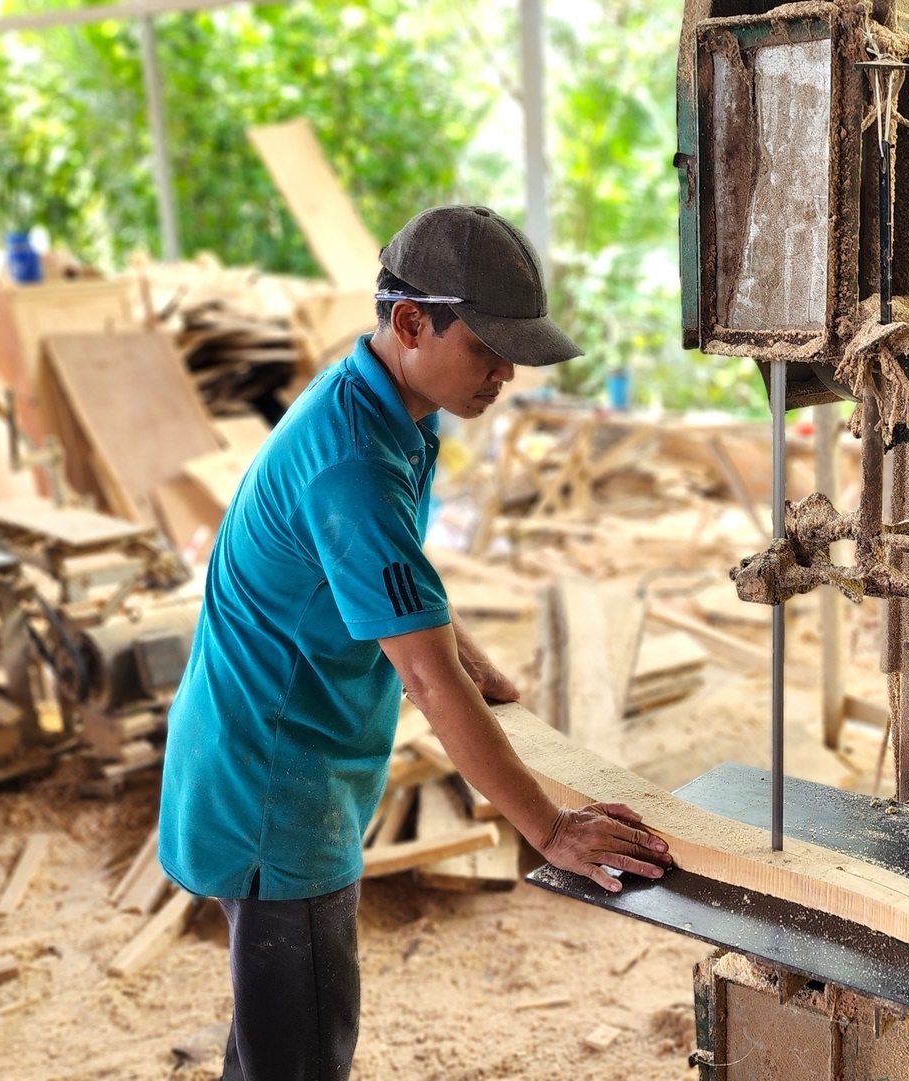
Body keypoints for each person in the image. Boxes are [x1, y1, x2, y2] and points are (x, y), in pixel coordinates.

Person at [158, 206, 673, 1081]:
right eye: (488, 347)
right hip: (276, 795)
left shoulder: (385, 403)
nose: (507, 372)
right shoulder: (351, 462)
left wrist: (467, 653)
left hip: (274, 758)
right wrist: (549, 829)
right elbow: (429, 688)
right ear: (410, 322)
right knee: (301, 1057)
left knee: (273, 1043)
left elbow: (387, 581)